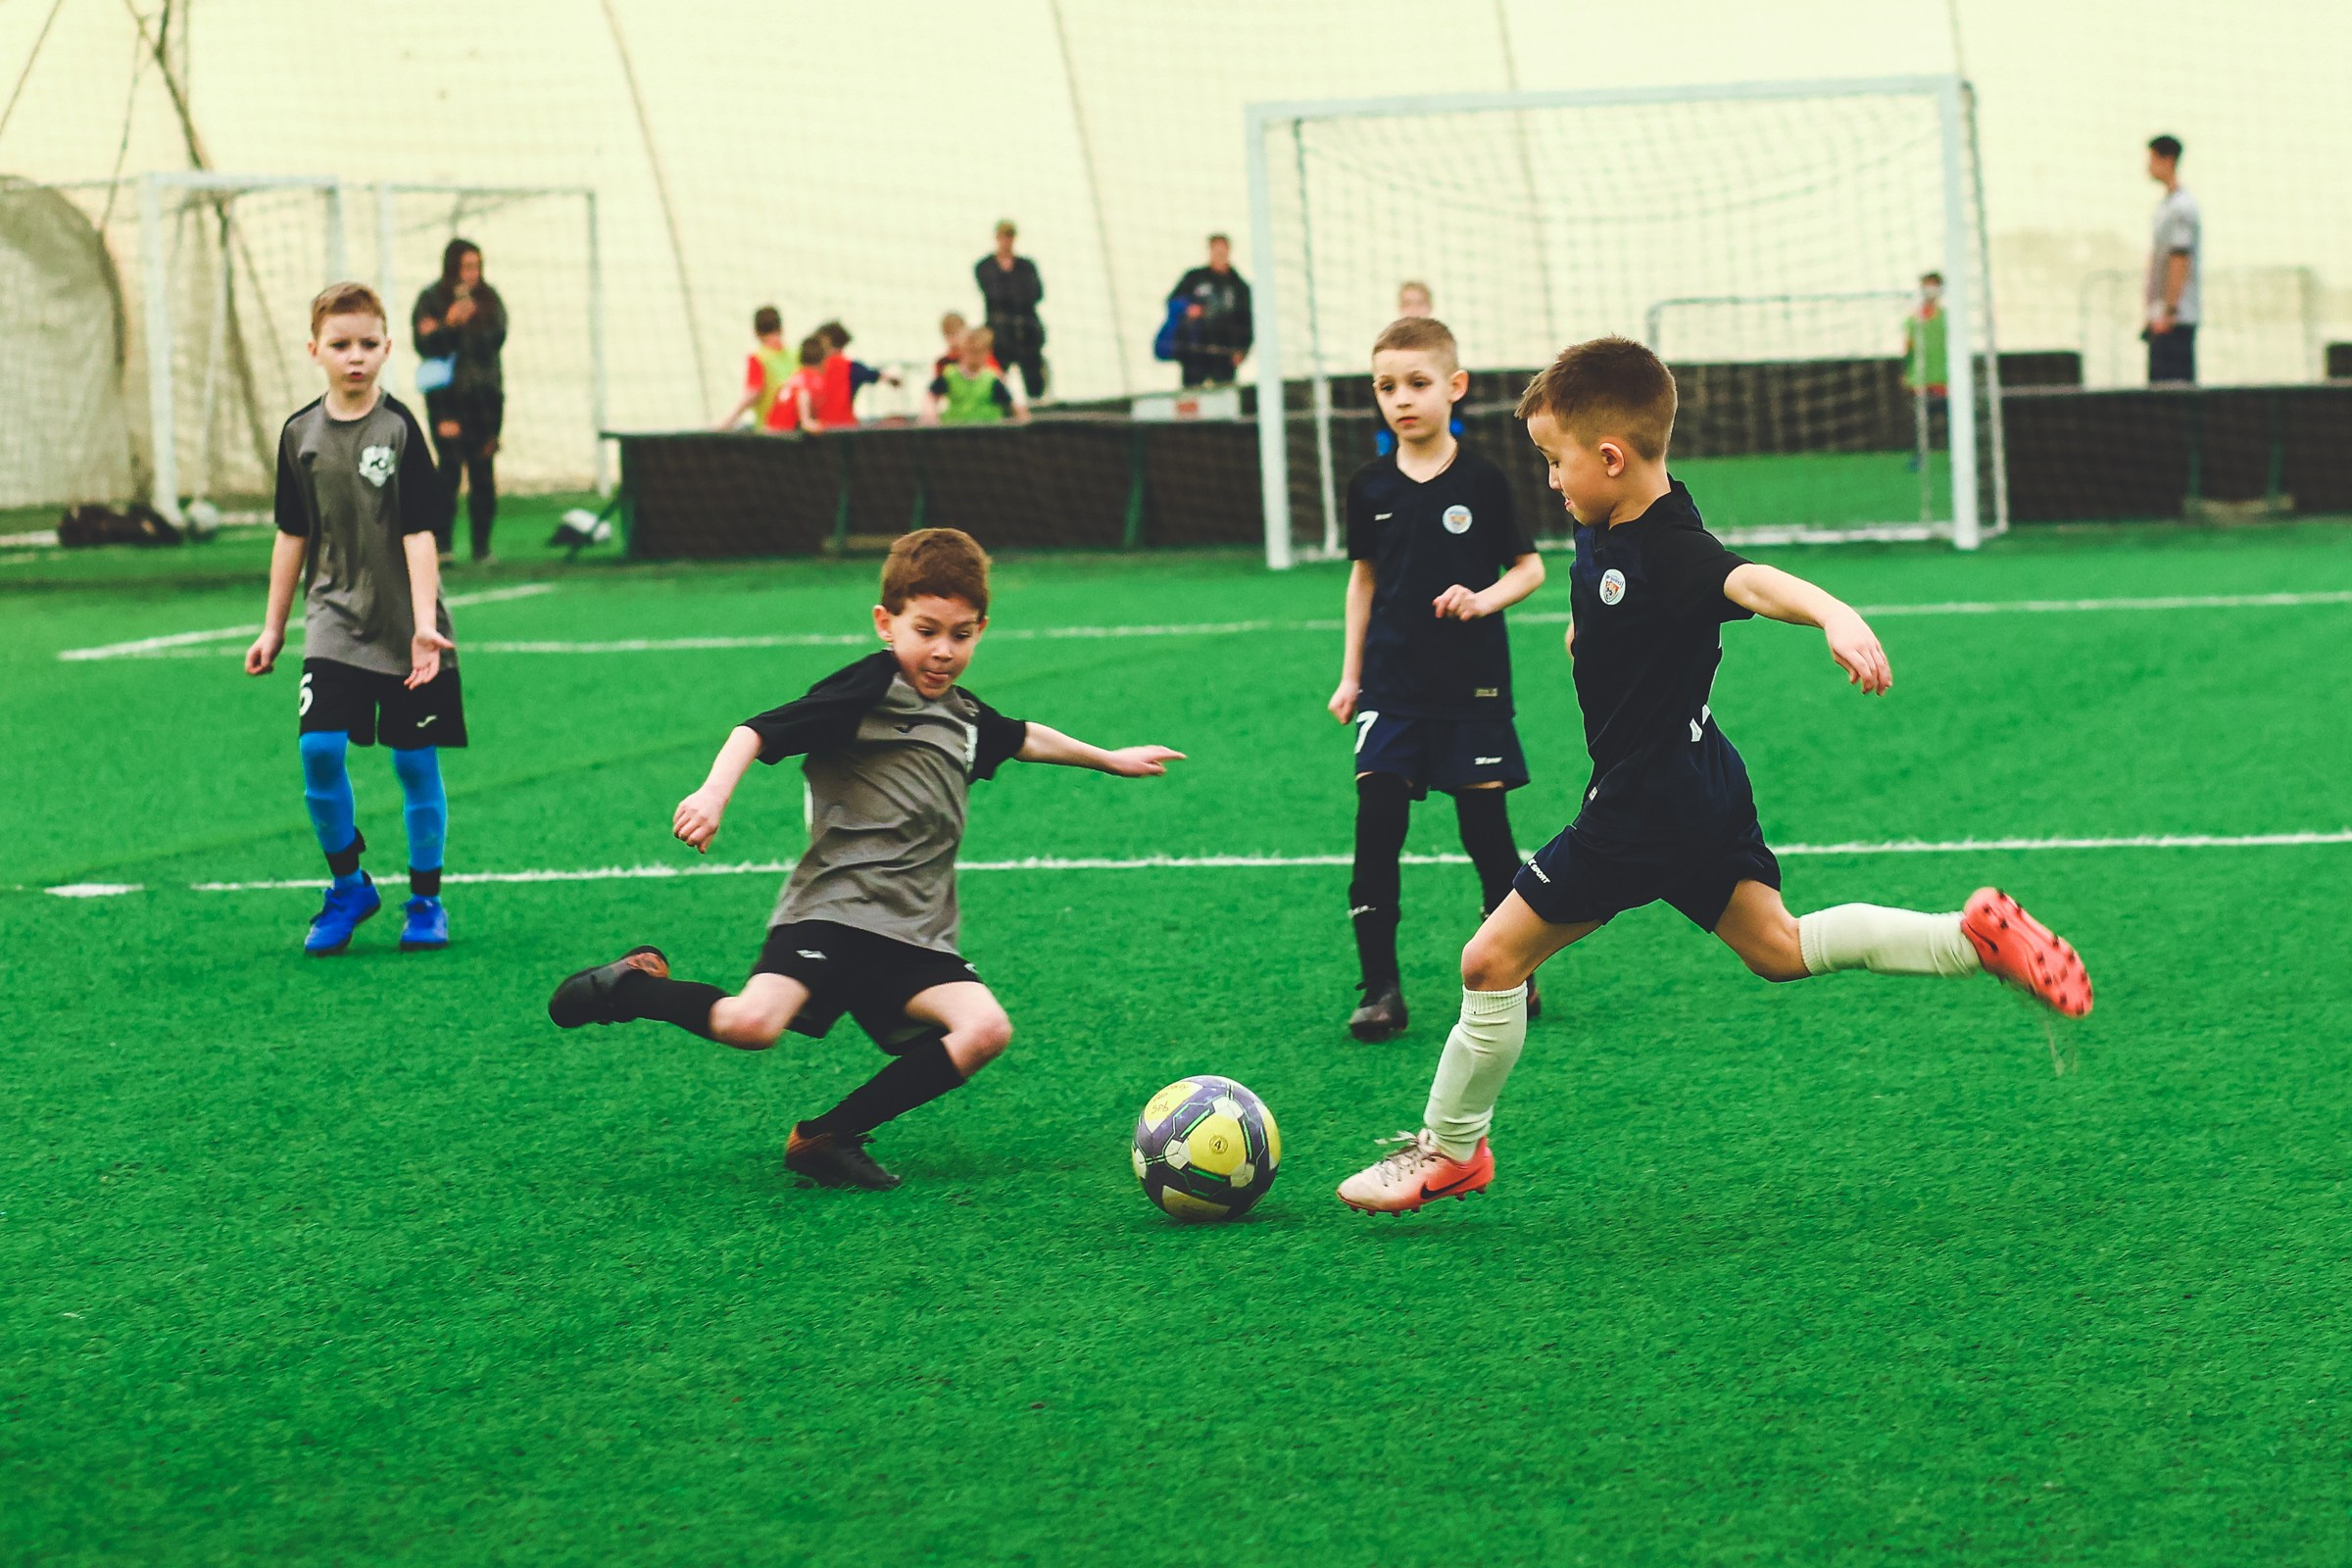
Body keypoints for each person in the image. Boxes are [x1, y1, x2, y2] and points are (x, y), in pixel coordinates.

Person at [1335, 336, 2095, 1214]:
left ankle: (1451, 1150)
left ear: (1610, 458)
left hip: (1643, 805)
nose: (1549, 480)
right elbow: (1614, 597)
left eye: (1555, 461)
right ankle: (1972, 940)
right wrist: (1591, 635)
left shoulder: (1672, 549)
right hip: (1700, 778)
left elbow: (1751, 582)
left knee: (1488, 960)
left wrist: (1833, 614)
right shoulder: (1608, 515)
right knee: (1778, 948)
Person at [545, 528, 1184, 1190]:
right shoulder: (870, 688)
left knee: (985, 1029)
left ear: (981, 631)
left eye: (961, 635)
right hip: (834, 910)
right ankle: (632, 987)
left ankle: (827, 1136)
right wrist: (712, 794)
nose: (943, 650)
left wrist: (1108, 759)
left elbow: (1022, 737)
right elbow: (756, 730)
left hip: (913, 930)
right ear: (886, 623)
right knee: (753, 1024)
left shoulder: (964, 716)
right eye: (926, 630)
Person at [1331, 316, 1546, 1042]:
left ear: (1455, 387)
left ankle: (1513, 966)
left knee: (1486, 835)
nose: (1402, 398)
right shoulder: (1368, 486)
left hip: (1471, 690)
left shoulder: (1483, 480)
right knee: (1377, 828)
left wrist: (1481, 599)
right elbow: (1363, 581)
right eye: (1386, 386)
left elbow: (1529, 568)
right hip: (1390, 688)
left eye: (1417, 383)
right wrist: (1350, 676)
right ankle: (1380, 990)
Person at [245, 281, 462, 956]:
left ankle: (425, 901)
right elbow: (291, 533)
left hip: (405, 626)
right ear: (315, 351)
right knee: (318, 750)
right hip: (333, 618)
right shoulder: (299, 435)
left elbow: (420, 532)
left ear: (388, 348)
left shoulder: (400, 430)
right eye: (341, 345)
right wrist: (274, 627)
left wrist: (423, 626)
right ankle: (349, 886)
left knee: (414, 763)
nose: (356, 356)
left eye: (368, 343)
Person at [411, 238, 506, 563]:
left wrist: (471, 323)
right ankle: (443, 544)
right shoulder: (431, 299)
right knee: (449, 469)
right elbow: (424, 345)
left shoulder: (490, 299)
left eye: (476, 267)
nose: (471, 274)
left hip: (485, 398)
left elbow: (496, 339)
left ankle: (482, 545)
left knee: (483, 471)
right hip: (447, 400)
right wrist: (448, 325)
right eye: (466, 267)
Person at [2143, 134, 2201, 385]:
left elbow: (2180, 257)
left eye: (2152, 159)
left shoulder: (2182, 207)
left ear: (2167, 160)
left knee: (2174, 389)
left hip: (2176, 320)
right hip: (2161, 318)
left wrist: (2169, 312)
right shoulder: (2165, 207)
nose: (2148, 166)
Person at [1166, 234, 1253, 388]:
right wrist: (1188, 309)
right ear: (1210, 251)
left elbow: (1247, 321)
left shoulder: (1239, 287)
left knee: (1224, 394)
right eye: (1216, 250)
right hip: (1195, 351)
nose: (1219, 255)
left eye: (1222, 251)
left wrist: (1243, 349)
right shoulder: (1194, 278)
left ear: (1229, 251)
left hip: (1224, 353)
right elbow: (1173, 301)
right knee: (1191, 394)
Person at [975, 220, 1047, 401]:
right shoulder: (985, 267)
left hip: (1026, 333)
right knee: (996, 383)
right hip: (1000, 336)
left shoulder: (1026, 266)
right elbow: (994, 293)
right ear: (997, 237)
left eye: (1010, 236)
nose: (1006, 241)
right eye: (1003, 236)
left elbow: (1036, 294)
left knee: (1035, 383)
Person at [807, 320, 899, 433]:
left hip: (819, 431)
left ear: (826, 341)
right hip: (847, 430)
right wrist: (893, 380)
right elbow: (876, 375)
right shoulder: (852, 367)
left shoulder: (813, 368)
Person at [924, 325, 1028, 425]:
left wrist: (1023, 420)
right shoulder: (950, 375)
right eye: (970, 351)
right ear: (962, 350)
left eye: (978, 351)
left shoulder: (992, 379)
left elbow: (1011, 404)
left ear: (988, 352)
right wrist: (931, 414)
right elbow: (931, 397)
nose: (974, 356)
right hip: (955, 431)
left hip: (988, 431)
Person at [716, 305, 794, 430]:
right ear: (781, 328)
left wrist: (727, 422)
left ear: (756, 333)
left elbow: (753, 393)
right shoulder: (797, 355)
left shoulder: (758, 358)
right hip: (796, 430)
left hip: (769, 431)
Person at [1902, 271, 1947, 475]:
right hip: (1921, 379)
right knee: (1920, 423)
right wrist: (1906, 371)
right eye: (1926, 286)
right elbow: (1908, 346)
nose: (1930, 290)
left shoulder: (1947, 317)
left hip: (1945, 379)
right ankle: (1919, 458)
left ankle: (1960, 457)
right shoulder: (1913, 319)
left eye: (1934, 286)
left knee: (1953, 421)